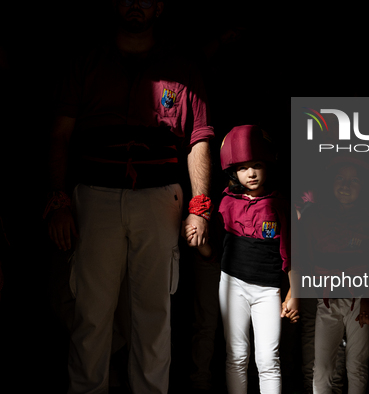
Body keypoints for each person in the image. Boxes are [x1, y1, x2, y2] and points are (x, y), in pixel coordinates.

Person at [46, 0, 214, 392]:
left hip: (160, 201)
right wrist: (58, 200)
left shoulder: (182, 69)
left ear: (160, 6)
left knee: (153, 316)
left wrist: (200, 206)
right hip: (94, 198)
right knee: (90, 315)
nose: (135, 4)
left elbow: (199, 140)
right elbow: (60, 135)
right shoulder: (87, 63)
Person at [192, 125, 297, 394]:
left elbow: (291, 254)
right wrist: (197, 241)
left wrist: (294, 293)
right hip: (233, 286)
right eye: (242, 167)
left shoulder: (281, 204)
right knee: (236, 356)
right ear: (233, 172)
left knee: (268, 360)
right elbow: (214, 252)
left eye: (257, 164)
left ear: (269, 164)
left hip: (268, 290)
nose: (250, 173)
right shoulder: (226, 203)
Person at [294, 154, 369, 394]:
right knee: (322, 367)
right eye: (340, 178)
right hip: (327, 301)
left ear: (364, 187)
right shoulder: (314, 217)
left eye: (354, 181)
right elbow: (305, 258)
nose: (345, 185)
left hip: (360, 303)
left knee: (357, 365)